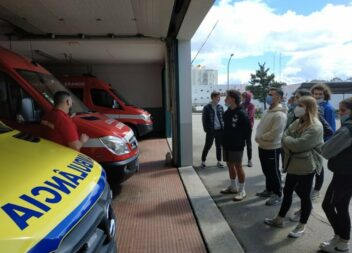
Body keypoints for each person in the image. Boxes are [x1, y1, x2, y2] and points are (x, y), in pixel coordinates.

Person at [264, 96, 323, 238]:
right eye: (297, 105)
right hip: (293, 164)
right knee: (288, 191)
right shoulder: (298, 122)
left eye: (301, 105)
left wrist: (289, 141)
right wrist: (290, 141)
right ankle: (280, 219)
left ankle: (301, 226)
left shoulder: (315, 126)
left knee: (304, 196)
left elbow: (298, 144)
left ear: (308, 108)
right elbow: (285, 136)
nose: (297, 108)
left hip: (306, 166)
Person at [319, 97, 352, 252]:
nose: (340, 113)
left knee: (328, 204)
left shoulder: (348, 129)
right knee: (341, 205)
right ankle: (341, 239)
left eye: (343, 110)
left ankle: (342, 240)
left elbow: (326, 150)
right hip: (346, 173)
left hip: (344, 175)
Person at [255, 87, 287, 206]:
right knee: (266, 170)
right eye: (268, 94)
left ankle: (278, 194)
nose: (268, 96)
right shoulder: (268, 111)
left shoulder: (280, 114)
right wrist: (260, 137)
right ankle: (268, 190)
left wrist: (261, 137)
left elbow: (275, 133)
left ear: (278, 97)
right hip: (263, 146)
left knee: (273, 171)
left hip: (272, 147)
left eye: (271, 94)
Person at [220, 90, 251, 201]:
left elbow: (248, 131)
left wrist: (242, 143)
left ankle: (242, 190)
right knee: (229, 164)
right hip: (227, 144)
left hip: (237, 145)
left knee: (238, 166)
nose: (225, 100)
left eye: (227, 97)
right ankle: (233, 186)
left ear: (233, 99)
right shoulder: (227, 112)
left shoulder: (242, 113)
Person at [311, 83, 336, 200]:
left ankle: (317, 190)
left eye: (320, 94)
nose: (317, 96)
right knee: (310, 165)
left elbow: (331, 129)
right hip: (310, 140)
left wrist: (325, 144)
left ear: (325, 94)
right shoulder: (312, 106)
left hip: (320, 143)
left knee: (319, 167)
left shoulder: (328, 108)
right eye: (315, 94)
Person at [201, 91, 225, 169]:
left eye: (219, 97)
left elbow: (223, 118)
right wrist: (207, 130)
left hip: (220, 130)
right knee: (207, 146)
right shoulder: (207, 107)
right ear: (213, 97)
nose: (219, 99)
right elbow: (204, 120)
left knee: (219, 147)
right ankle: (203, 161)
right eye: (218, 97)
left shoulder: (220, 107)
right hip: (211, 131)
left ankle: (219, 161)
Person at [241, 91, 255, 167]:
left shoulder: (251, 106)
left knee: (249, 144)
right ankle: (240, 159)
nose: (242, 98)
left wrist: (241, 116)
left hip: (248, 127)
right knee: (241, 144)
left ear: (248, 98)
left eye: (244, 97)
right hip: (241, 128)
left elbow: (249, 116)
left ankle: (249, 160)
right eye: (242, 97)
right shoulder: (241, 105)